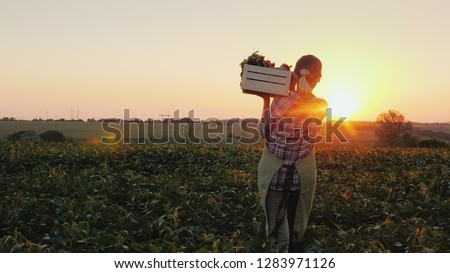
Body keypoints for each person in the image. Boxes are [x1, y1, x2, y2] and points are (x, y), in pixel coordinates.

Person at [257, 55, 327, 252]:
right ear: (319, 78)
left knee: (277, 234)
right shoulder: (321, 106)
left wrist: (266, 99)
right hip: (300, 179)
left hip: (274, 176)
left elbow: (265, 132)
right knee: (295, 230)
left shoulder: (279, 101)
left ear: (295, 75)